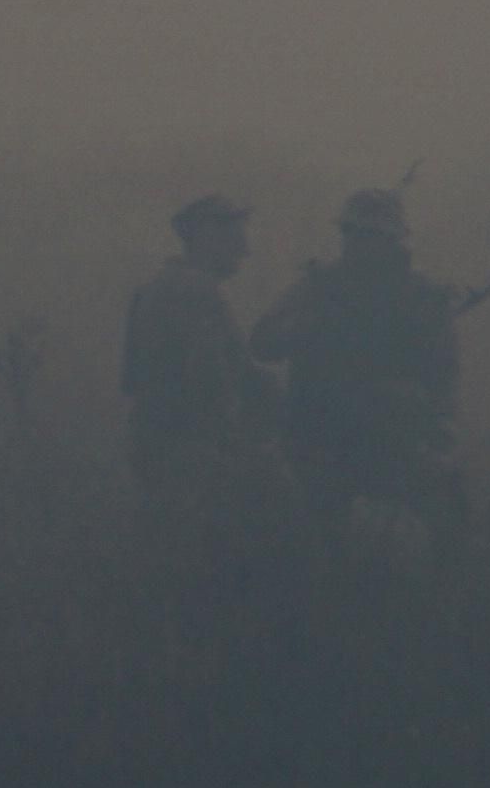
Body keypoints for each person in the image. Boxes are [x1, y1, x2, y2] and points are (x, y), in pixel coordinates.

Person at [257, 186, 467, 550]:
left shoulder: (422, 295)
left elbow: (443, 371)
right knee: (315, 537)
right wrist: (313, 327)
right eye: (350, 233)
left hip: (394, 435)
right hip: (321, 430)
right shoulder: (319, 286)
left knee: (432, 530)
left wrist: (439, 430)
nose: (355, 243)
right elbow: (264, 341)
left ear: (391, 240)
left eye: (368, 234)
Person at [121, 194, 274, 526]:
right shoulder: (201, 293)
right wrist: (230, 445)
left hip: (149, 444)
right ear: (210, 239)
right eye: (236, 241)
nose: (244, 252)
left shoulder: (150, 289)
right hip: (192, 454)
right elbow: (211, 381)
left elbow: (131, 379)